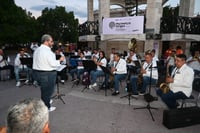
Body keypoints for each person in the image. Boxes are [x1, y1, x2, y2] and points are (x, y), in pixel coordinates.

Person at [33, 34, 65, 112]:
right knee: (48, 91)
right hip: (47, 74)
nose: (52, 43)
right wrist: (60, 60)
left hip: (38, 73)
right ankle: (47, 107)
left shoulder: (37, 50)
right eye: (51, 41)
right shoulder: (47, 51)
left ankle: (45, 100)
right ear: (46, 41)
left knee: (44, 90)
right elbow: (53, 64)